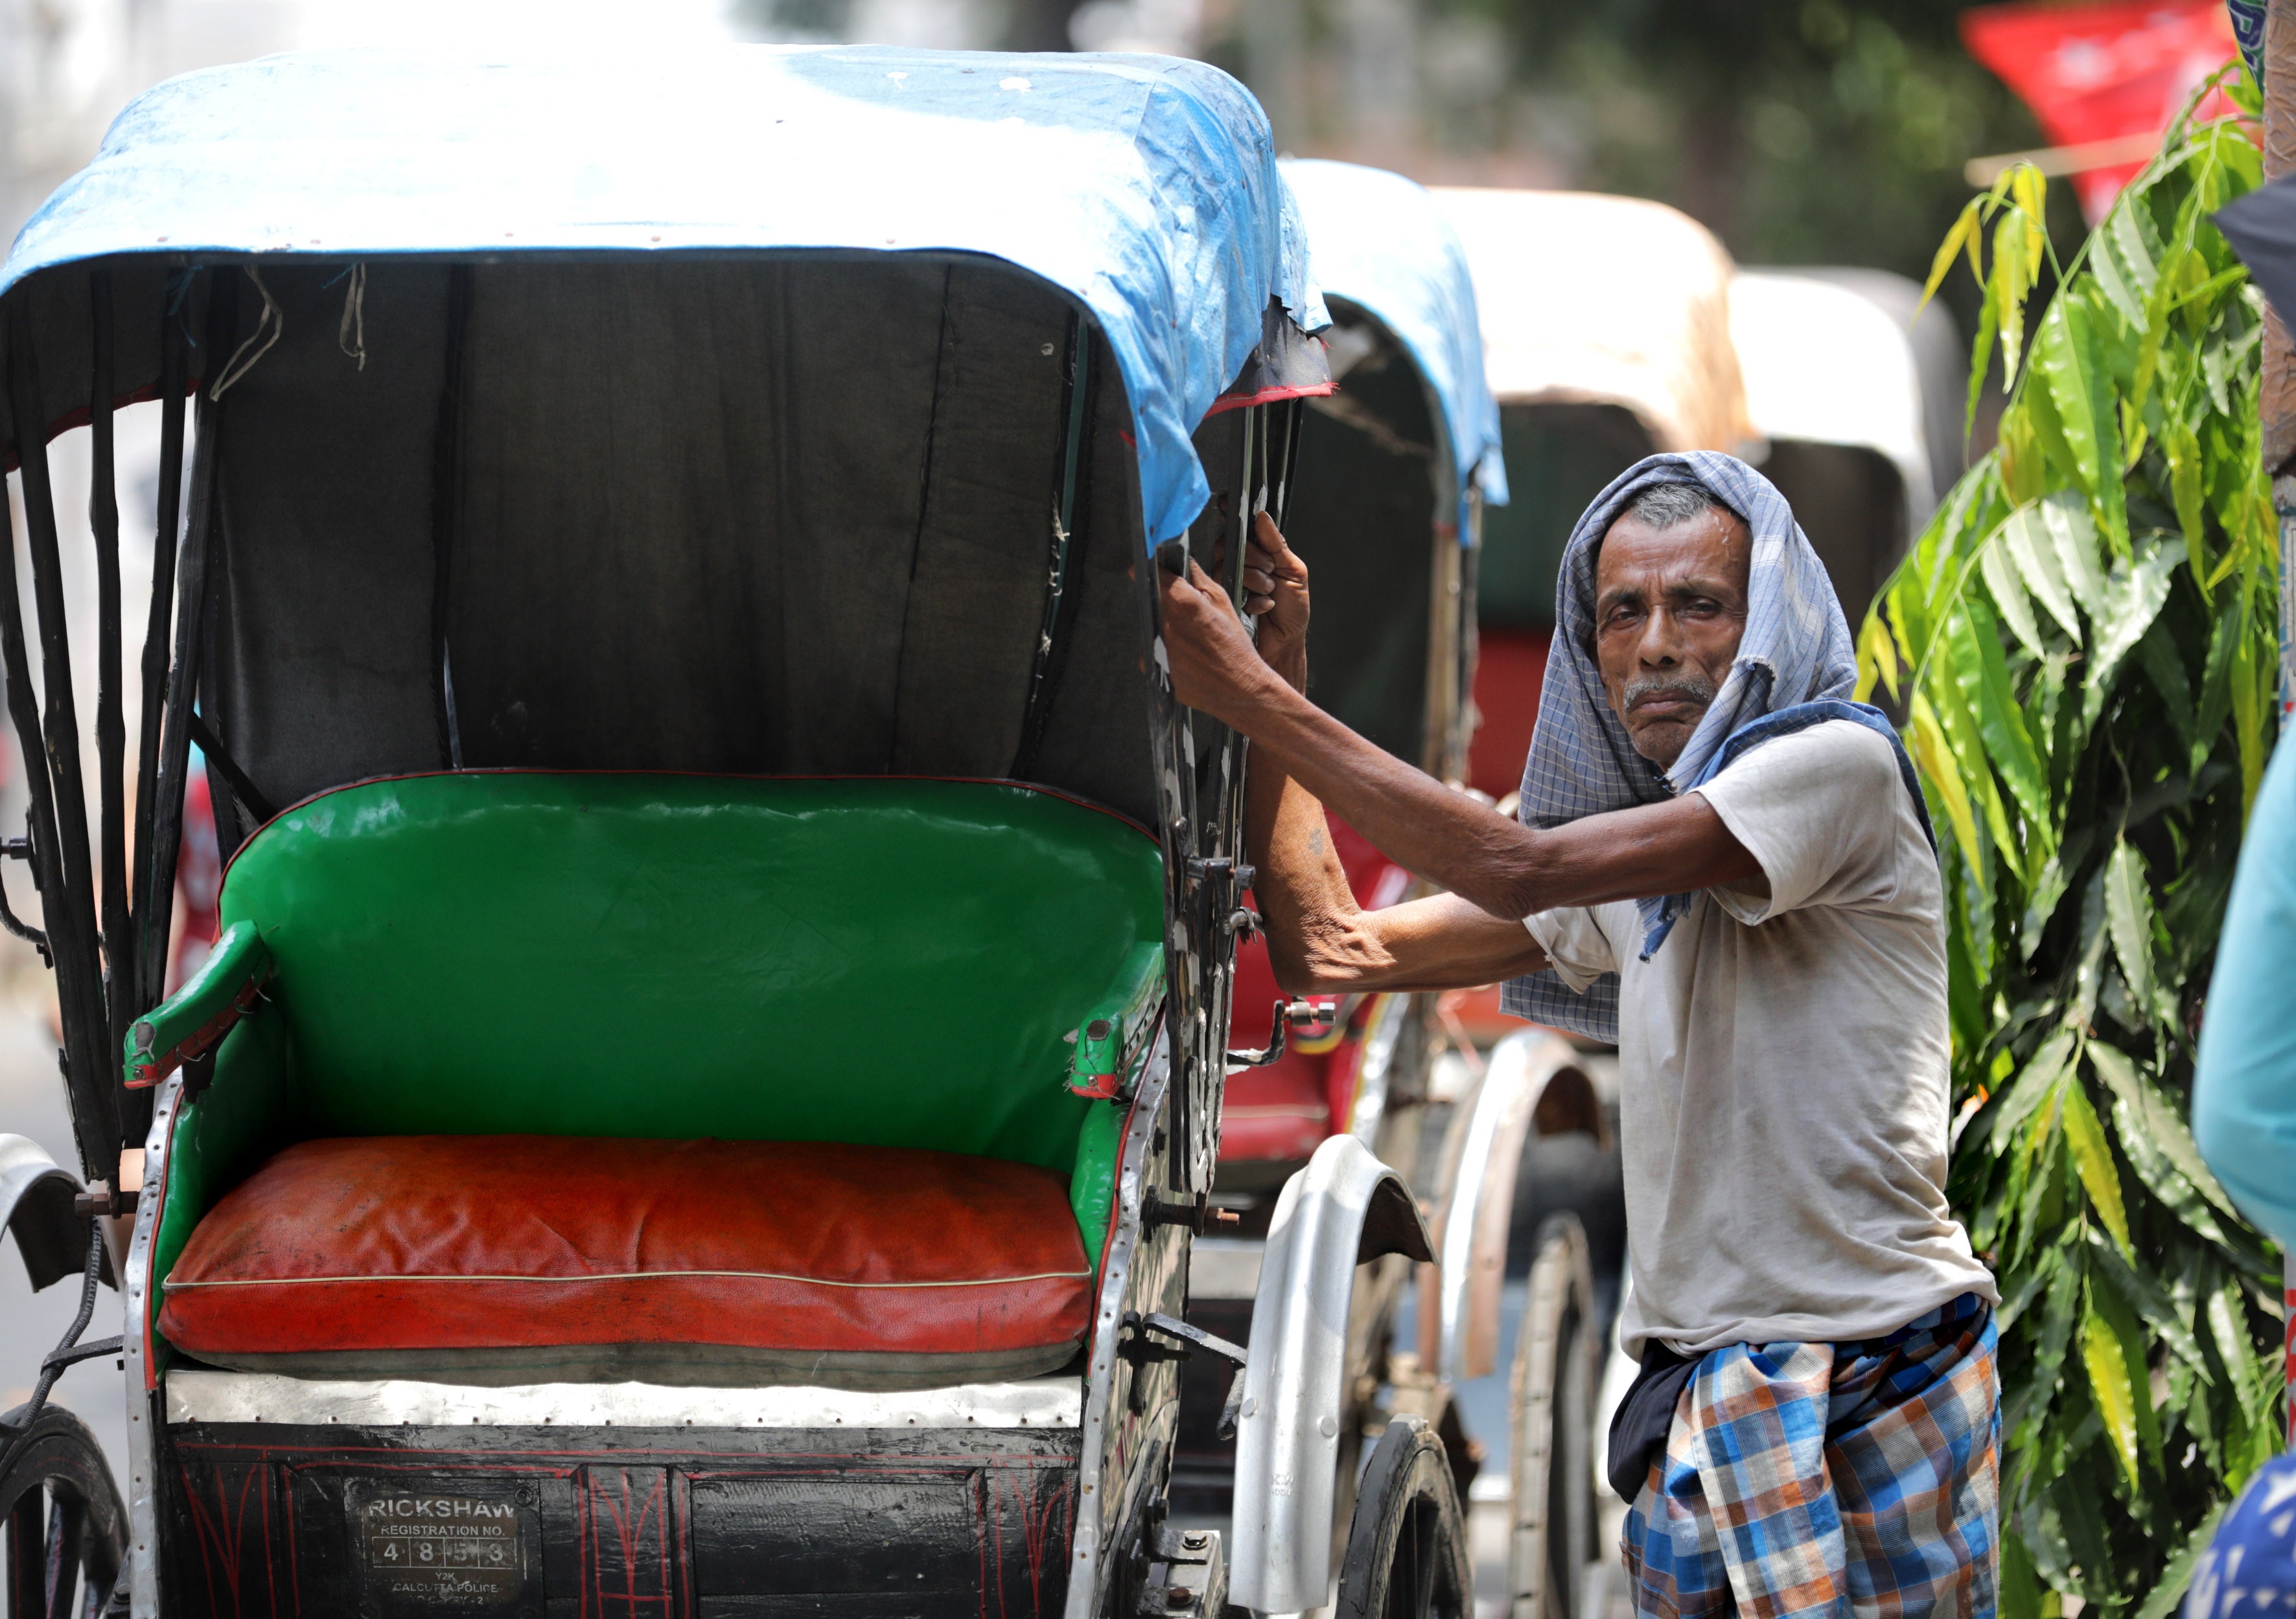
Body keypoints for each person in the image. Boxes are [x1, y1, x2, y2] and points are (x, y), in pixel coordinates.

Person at [1161, 452, 2001, 1616]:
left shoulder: (1836, 770)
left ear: (1767, 627)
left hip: (1870, 1380)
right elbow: (1331, 950)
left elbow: (1522, 862)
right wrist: (1282, 668)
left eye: (1697, 605)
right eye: (1622, 613)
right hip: (1699, 1408)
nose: (1655, 643)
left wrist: (1254, 695)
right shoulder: (1636, 864)